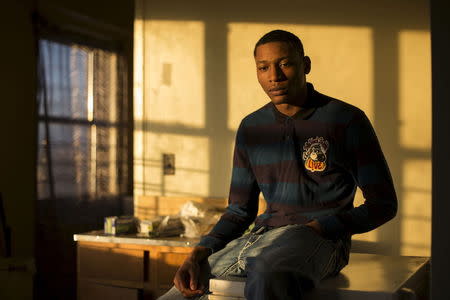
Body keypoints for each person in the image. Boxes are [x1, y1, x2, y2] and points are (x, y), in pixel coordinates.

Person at [158, 29, 397, 300]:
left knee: (268, 275)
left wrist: (320, 228)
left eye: (285, 63)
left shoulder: (346, 120)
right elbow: (238, 211)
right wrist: (198, 252)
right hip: (260, 238)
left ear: (305, 65)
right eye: (263, 67)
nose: (274, 76)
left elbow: (383, 204)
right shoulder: (252, 128)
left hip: (320, 240)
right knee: (181, 292)